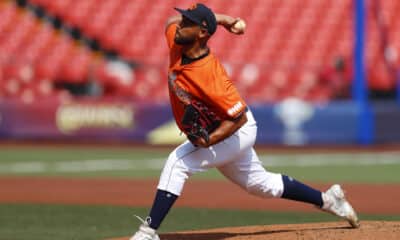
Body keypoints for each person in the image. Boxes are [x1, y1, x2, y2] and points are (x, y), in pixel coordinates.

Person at [131, 3, 359, 240]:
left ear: (201, 33)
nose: (181, 25)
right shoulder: (178, 41)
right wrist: (223, 19)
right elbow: (170, 23)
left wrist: (209, 141)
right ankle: (330, 200)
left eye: (188, 22)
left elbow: (238, 118)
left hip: (235, 130)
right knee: (261, 185)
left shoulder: (210, 77)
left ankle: (148, 232)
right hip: (225, 127)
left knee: (177, 163)